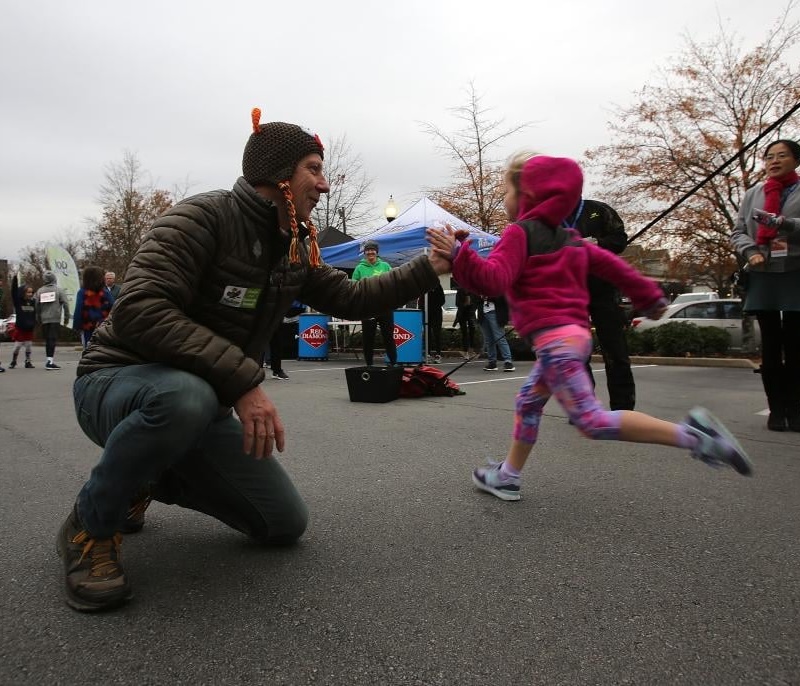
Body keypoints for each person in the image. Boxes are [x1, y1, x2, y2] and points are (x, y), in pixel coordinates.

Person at [57, 108, 449, 612]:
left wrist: (429, 269)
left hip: (195, 405)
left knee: (283, 525)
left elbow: (350, 299)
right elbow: (139, 309)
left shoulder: (293, 246)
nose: (324, 185)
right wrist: (243, 383)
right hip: (113, 386)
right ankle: (91, 525)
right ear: (277, 174)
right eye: (314, 168)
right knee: (186, 397)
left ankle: (141, 477)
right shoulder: (200, 218)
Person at [426, 153, 752, 502]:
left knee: (591, 421)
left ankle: (696, 437)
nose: (502, 198)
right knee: (528, 402)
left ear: (527, 196)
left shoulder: (519, 234)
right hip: (574, 338)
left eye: (505, 191)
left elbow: (493, 280)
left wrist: (459, 254)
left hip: (555, 344)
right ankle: (508, 475)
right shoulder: (572, 239)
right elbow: (617, 269)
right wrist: (652, 299)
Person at [731, 138, 800, 432]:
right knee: (770, 346)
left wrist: (784, 224)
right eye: (769, 156)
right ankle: (776, 409)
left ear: (795, 160)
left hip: (796, 272)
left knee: (796, 346)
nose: (774, 161)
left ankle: (796, 410)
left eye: (781, 155)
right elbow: (737, 232)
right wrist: (751, 251)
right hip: (762, 273)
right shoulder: (753, 193)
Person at [567, 199, 636, 410]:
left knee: (615, 350)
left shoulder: (598, 209)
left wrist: (598, 244)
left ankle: (622, 406)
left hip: (604, 289)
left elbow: (620, 239)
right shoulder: (550, 219)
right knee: (577, 353)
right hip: (570, 292)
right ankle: (584, 404)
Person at [351, 240, 398, 367]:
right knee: (368, 337)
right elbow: (353, 286)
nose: (370, 252)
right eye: (368, 250)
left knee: (388, 335)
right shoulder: (359, 268)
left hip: (385, 306)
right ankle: (369, 365)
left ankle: (393, 363)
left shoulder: (385, 266)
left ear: (377, 252)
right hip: (368, 308)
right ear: (365, 253)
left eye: (372, 250)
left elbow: (393, 283)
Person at [35, 270, 70, 370]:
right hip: (55, 318)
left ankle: (49, 360)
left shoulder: (40, 291)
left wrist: (38, 318)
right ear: (54, 279)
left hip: (44, 319)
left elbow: (37, 306)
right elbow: (66, 304)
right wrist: (66, 318)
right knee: (52, 339)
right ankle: (50, 362)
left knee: (47, 340)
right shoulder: (59, 290)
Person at [73, 266, 113, 349]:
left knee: (88, 347)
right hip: (103, 326)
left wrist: (76, 326)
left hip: (87, 326)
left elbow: (78, 310)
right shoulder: (105, 293)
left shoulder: (82, 292)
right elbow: (113, 308)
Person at [477, 295, 515, 372]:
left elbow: (503, 299)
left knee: (500, 338)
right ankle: (492, 362)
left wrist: (489, 297)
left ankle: (508, 361)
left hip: (494, 312)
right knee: (489, 340)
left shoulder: (497, 286)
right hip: (483, 313)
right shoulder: (480, 287)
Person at [9, 274, 37, 369]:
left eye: (31, 292)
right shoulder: (18, 302)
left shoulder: (33, 302)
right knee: (17, 346)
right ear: (23, 293)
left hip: (29, 328)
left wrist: (34, 323)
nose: (30, 294)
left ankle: (28, 361)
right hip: (20, 328)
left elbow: (35, 314)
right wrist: (15, 280)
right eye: (28, 292)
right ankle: (14, 361)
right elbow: (14, 292)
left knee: (29, 346)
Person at [419, 283, 445, 363]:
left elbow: (442, 300)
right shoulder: (423, 287)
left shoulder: (437, 286)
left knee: (437, 333)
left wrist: (434, 306)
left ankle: (438, 354)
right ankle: (427, 354)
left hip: (436, 313)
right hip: (426, 313)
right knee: (426, 333)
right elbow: (420, 301)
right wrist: (422, 309)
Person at [452, 287, 477, 359]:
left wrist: (472, 306)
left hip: (471, 314)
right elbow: (457, 303)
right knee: (464, 333)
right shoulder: (460, 291)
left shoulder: (473, 291)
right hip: (462, 314)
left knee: (472, 331)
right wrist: (464, 304)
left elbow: (476, 302)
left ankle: (471, 350)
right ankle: (465, 351)